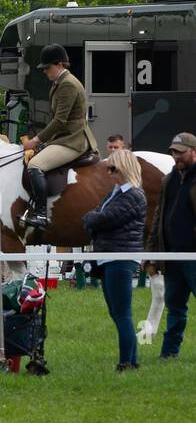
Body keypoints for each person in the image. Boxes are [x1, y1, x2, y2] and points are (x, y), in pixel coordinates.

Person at [83, 149, 147, 371]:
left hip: (121, 257)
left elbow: (103, 218)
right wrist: (93, 219)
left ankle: (126, 362)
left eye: (113, 168)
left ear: (125, 168)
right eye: (108, 168)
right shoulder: (116, 193)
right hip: (109, 257)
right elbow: (94, 216)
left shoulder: (134, 195)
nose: (109, 173)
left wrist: (92, 219)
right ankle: (132, 360)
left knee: (122, 313)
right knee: (117, 312)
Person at [24, 44, 98, 228]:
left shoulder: (68, 84)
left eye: (47, 68)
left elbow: (60, 121)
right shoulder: (59, 84)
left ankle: (41, 214)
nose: (45, 72)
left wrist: (36, 140)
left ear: (59, 65)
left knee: (35, 165)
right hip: (64, 137)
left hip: (73, 139)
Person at [146, 132, 196, 360]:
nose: (176, 157)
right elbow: (158, 219)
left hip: (193, 256)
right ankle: (169, 353)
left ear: (193, 152)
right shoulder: (169, 179)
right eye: (173, 153)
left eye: (180, 152)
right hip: (172, 255)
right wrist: (152, 253)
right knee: (175, 306)